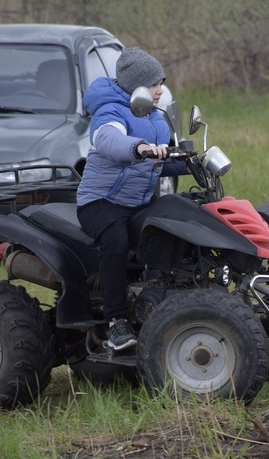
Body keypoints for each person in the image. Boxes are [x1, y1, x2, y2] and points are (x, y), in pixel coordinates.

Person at [77, 47, 173, 350]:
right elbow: (107, 140)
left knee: (175, 226)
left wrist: (193, 159)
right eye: (154, 84)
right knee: (116, 241)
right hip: (101, 202)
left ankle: (164, 309)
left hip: (138, 203)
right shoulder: (111, 110)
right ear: (137, 86)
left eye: (162, 82)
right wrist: (139, 147)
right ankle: (116, 322)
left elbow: (163, 157)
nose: (160, 90)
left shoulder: (155, 115)